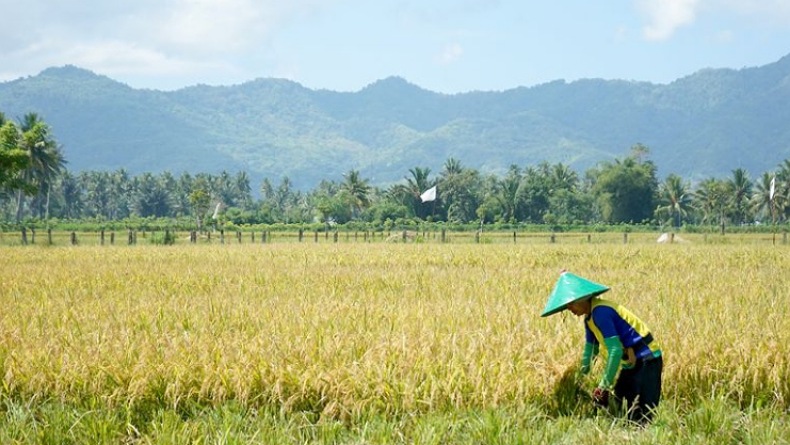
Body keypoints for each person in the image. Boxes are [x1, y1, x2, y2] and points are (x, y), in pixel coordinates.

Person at [541, 271, 663, 423]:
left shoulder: (601, 312)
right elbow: (591, 349)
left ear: (582, 299)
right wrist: (581, 373)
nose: (570, 309)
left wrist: (604, 384)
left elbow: (615, 350)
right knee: (622, 398)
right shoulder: (589, 319)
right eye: (567, 306)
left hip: (647, 358)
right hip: (631, 361)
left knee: (644, 408)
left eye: (571, 304)